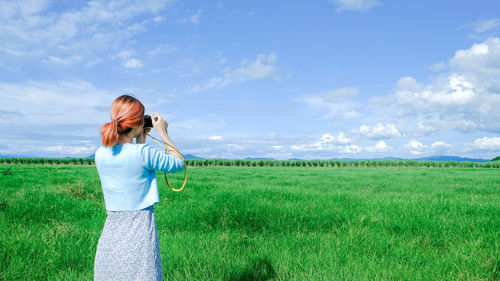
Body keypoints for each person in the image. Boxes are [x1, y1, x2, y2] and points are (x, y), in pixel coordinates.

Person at [93, 94, 184, 281]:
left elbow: (130, 166)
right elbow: (178, 164)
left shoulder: (100, 154)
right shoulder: (143, 153)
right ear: (137, 124)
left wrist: (140, 141)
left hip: (111, 236)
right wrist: (163, 132)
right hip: (140, 233)